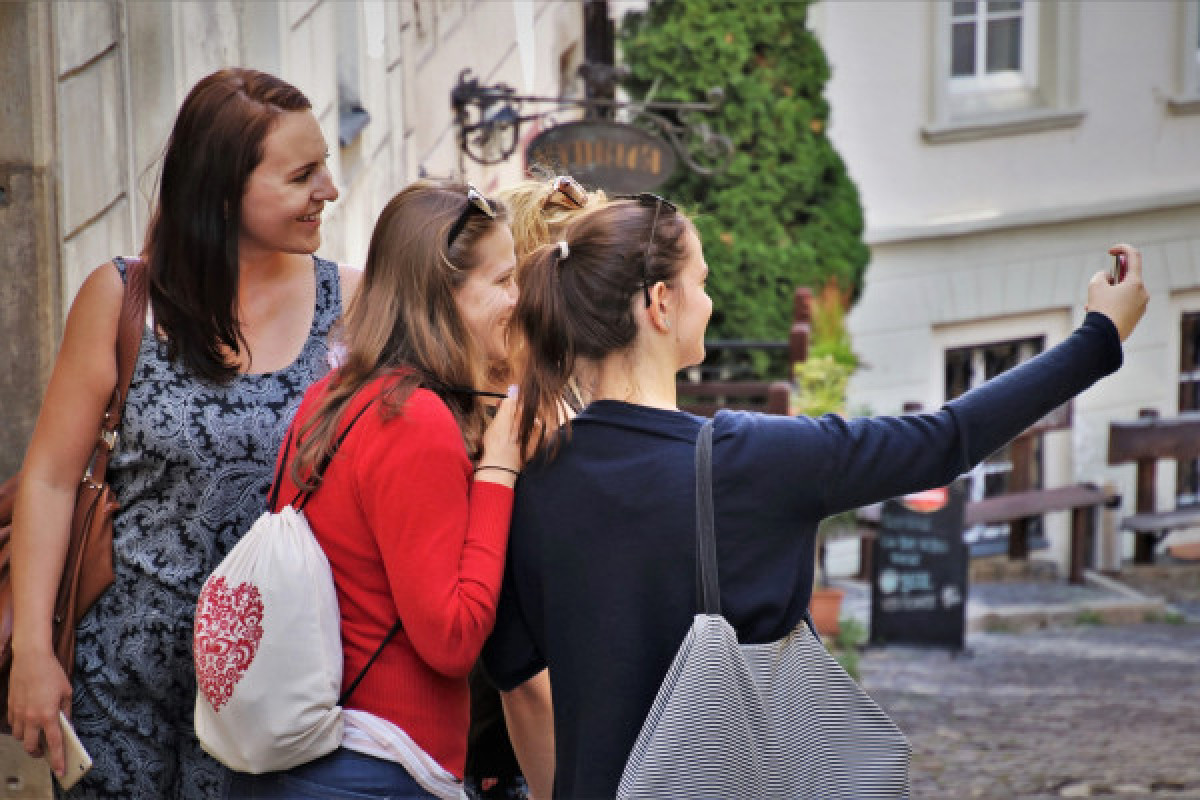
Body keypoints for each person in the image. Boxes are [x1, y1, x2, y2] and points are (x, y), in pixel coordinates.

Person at [481, 195, 1150, 799]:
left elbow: (521, 683)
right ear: (659, 303)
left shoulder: (532, 478)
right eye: (702, 283)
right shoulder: (754, 459)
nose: (709, 302)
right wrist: (1100, 336)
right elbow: (947, 439)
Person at [7, 68, 357, 798]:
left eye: (325, 163)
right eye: (302, 175)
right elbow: (47, 478)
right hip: (120, 693)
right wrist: (34, 652)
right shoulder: (123, 297)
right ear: (224, 192)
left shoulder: (353, 306)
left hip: (279, 700)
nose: (329, 188)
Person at [226, 180, 522, 800]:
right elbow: (452, 638)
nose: (521, 301)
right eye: (504, 282)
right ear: (445, 296)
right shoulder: (414, 419)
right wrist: (498, 473)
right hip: (378, 763)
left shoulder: (335, 393)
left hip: (310, 757)